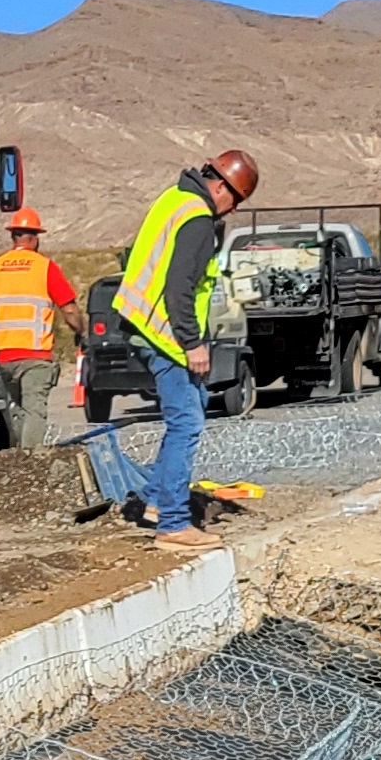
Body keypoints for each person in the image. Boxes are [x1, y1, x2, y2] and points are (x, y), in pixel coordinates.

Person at [112, 149, 257, 549]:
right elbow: (180, 286)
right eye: (236, 200)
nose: (231, 210)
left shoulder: (175, 199)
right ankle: (173, 524)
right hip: (166, 335)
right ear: (221, 186)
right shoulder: (196, 217)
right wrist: (193, 343)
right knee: (187, 423)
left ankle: (157, 500)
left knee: (186, 415)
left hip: (145, 325)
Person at [0, 208, 74, 449]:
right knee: (34, 410)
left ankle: (19, 459)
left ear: (13, 236)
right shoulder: (44, 267)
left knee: (17, 409)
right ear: (34, 238)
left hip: (3, 355)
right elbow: (70, 309)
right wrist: (80, 331)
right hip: (35, 354)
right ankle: (30, 463)